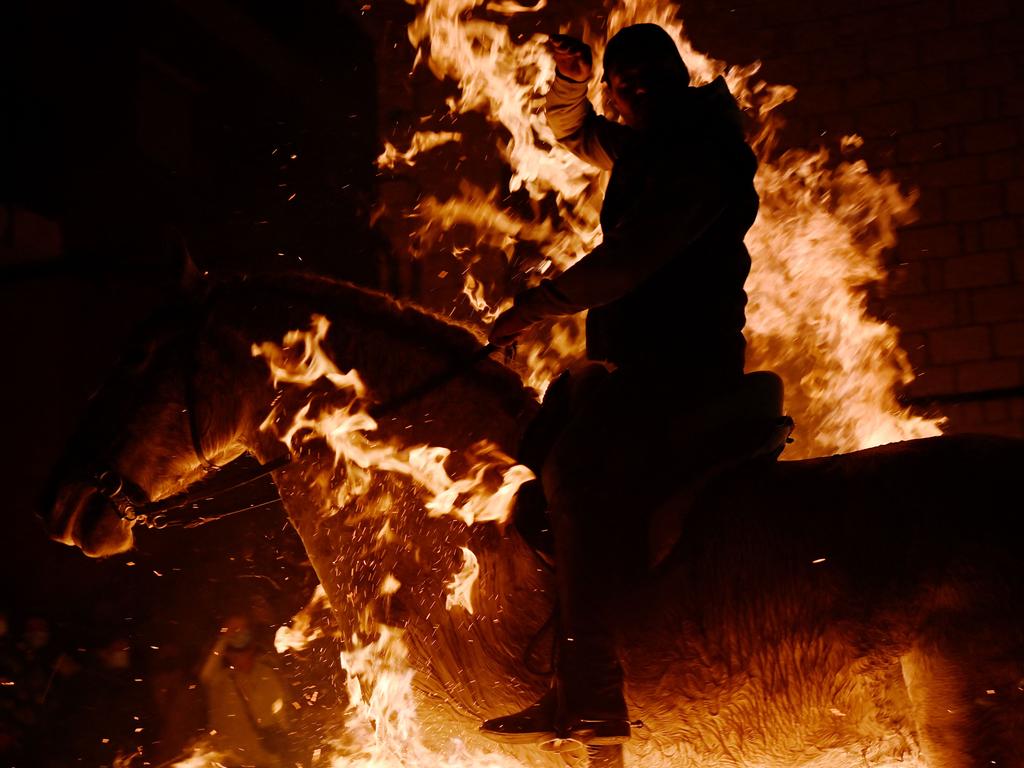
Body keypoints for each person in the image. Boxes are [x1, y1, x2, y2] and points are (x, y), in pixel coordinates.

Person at [481, 24, 759, 746]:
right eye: (619, 80)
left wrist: (536, 307)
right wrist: (571, 82)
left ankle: (592, 692)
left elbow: (630, 261)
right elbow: (576, 135)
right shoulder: (648, 146)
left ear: (676, 79)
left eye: (644, 79)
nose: (629, 91)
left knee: (575, 469)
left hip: (682, 365)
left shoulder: (702, 156)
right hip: (636, 363)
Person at [199, 615, 292, 768]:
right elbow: (206, 675)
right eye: (233, 651)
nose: (239, 656)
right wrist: (224, 637)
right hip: (232, 763)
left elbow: (283, 717)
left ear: (252, 649)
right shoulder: (222, 681)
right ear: (227, 654)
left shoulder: (267, 673)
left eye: (242, 635)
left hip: (267, 761)